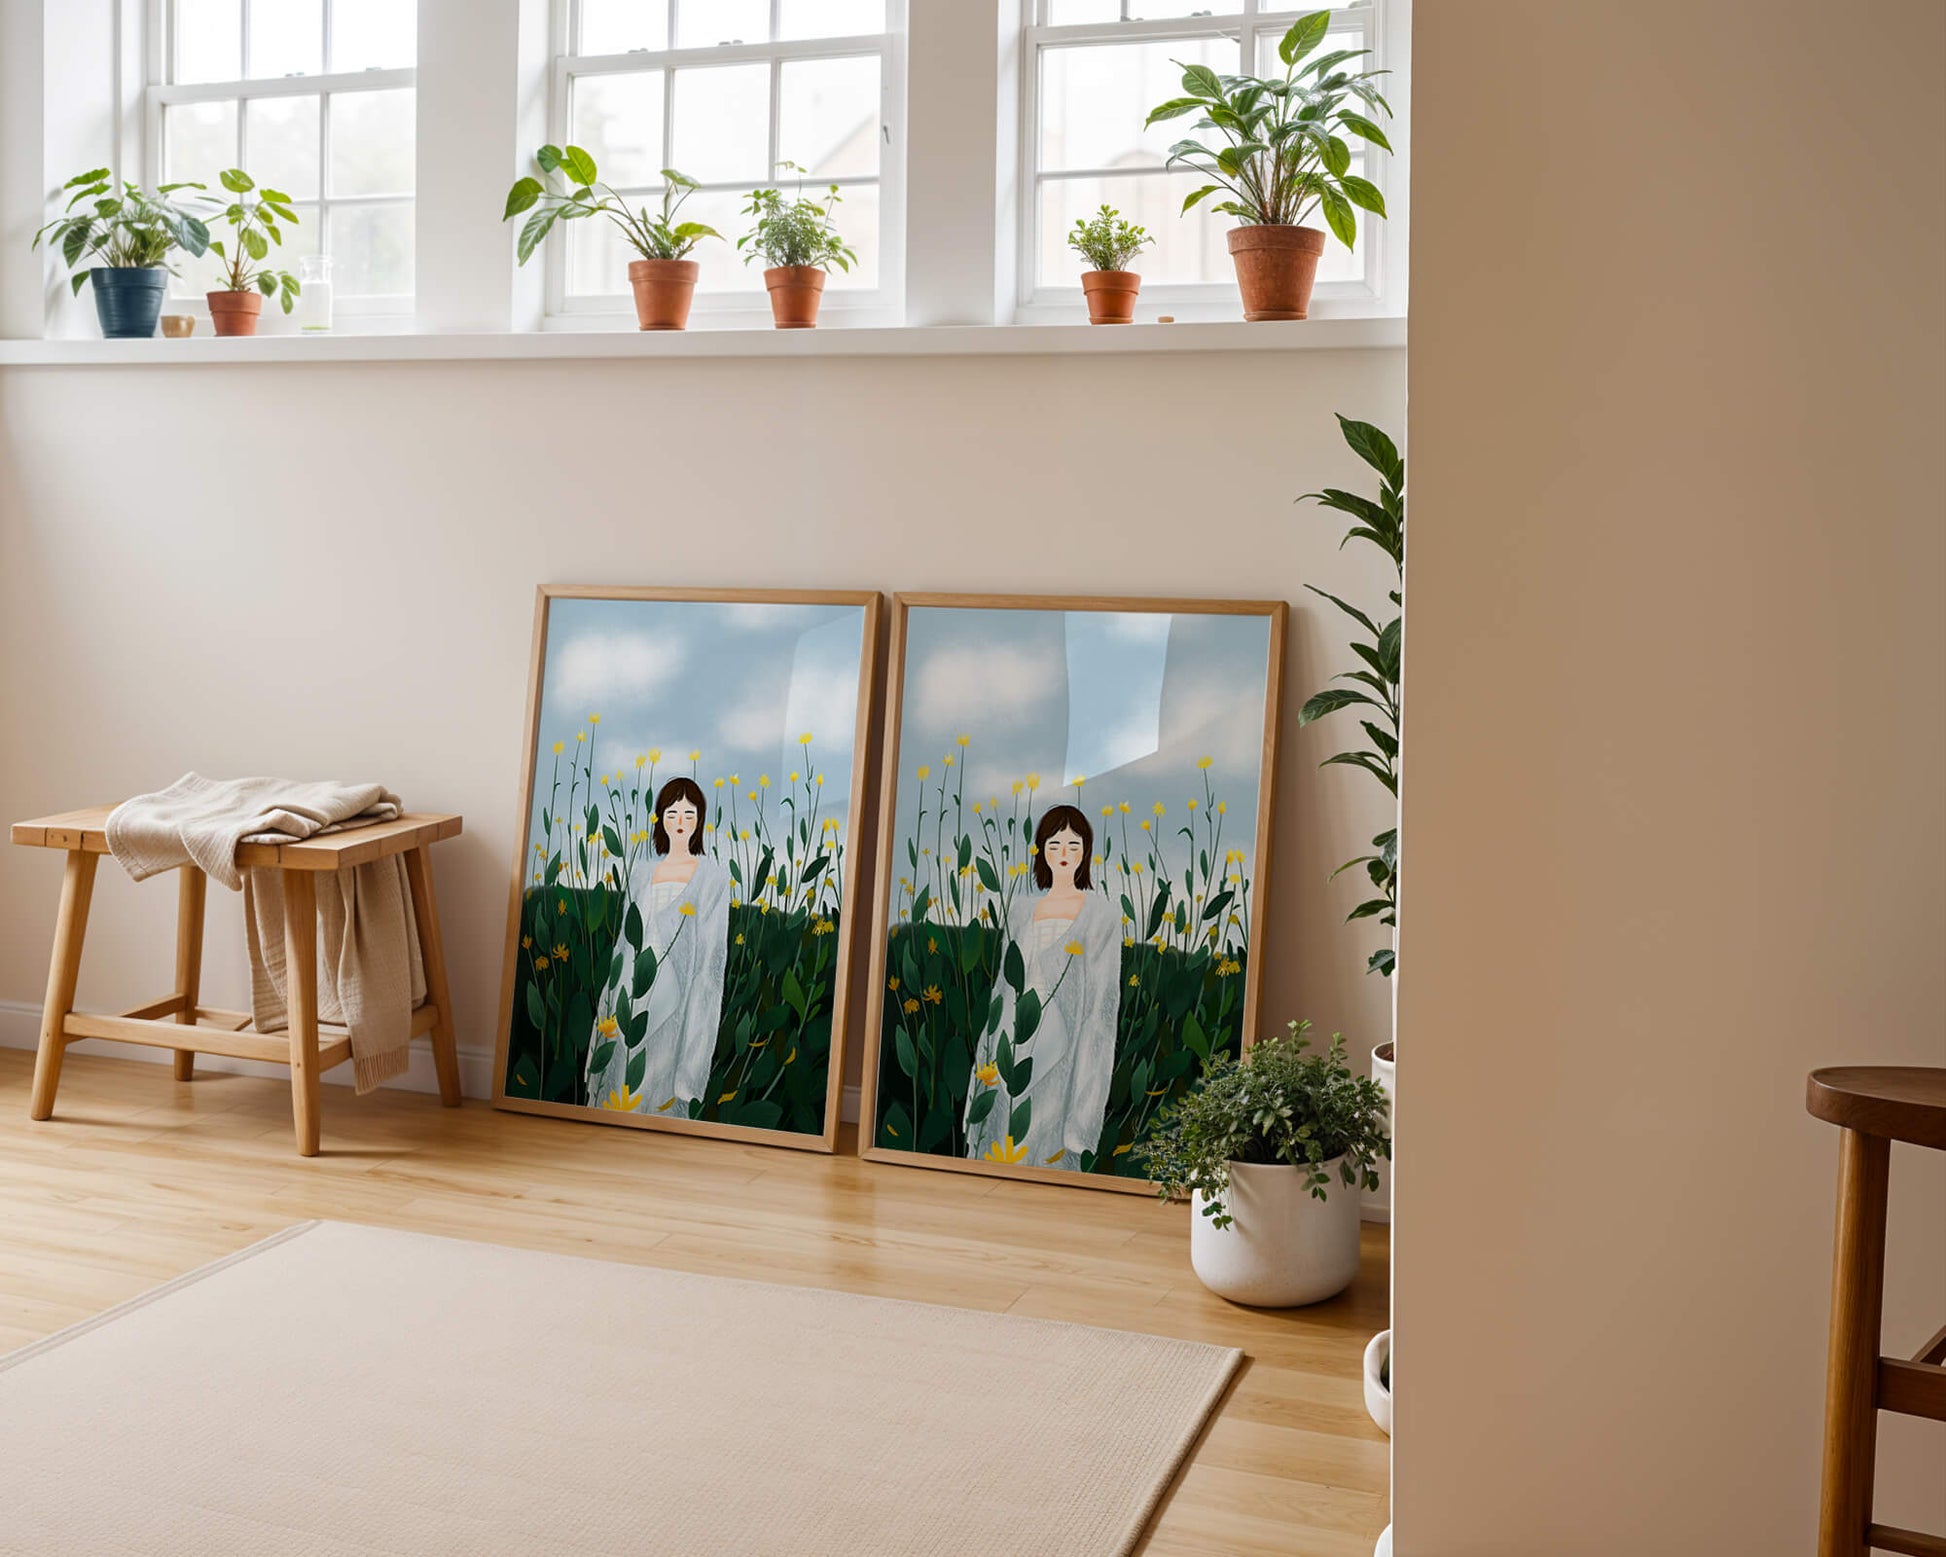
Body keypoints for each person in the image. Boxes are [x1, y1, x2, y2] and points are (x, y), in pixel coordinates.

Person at [964, 804, 1121, 1169]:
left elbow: (1101, 1009)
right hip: (1012, 1037)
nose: (1063, 853)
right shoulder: (1021, 908)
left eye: (1073, 844)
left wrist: (1083, 1116)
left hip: (1061, 1045)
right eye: (1054, 844)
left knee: (1045, 1141)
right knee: (1004, 1133)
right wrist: (984, 1063)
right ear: (1040, 850)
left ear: (1086, 850)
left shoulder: (1103, 914)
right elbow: (1003, 988)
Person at [587, 776, 729, 1117]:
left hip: (675, 997)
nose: (680, 821)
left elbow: (711, 965)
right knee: (622, 1071)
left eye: (689, 813)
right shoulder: (641, 872)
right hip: (631, 989)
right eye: (672, 812)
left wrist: (693, 1066)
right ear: (660, 817)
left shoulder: (713, 878)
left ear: (700, 820)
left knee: (658, 1077)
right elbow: (624, 942)